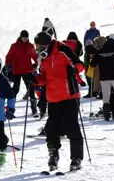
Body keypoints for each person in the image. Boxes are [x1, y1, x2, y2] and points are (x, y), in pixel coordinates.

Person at [34, 31, 84, 171]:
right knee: (52, 129)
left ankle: (76, 158)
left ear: (45, 44)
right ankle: (53, 155)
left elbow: (80, 64)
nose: (37, 48)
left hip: (69, 95)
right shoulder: (42, 57)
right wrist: (35, 80)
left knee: (72, 126)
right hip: (53, 97)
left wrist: (74, 70)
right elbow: (43, 78)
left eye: (38, 46)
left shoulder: (62, 49)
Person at [90, 35, 114, 121]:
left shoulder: (99, 51)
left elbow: (92, 64)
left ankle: (106, 115)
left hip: (104, 77)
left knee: (106, 95)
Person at [5, 30, 39, 117]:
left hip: (27, 70)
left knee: (31, 89)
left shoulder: (30, 46)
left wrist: (38, 63)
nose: (25, 39)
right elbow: (9, 56)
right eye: (23, 37)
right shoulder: (14, 46)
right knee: (15, 90)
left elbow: (35, 56)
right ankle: (10, 109)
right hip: (16, 71)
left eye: (26, 37)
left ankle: (34, 109)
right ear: (20, 37)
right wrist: (7, 65)